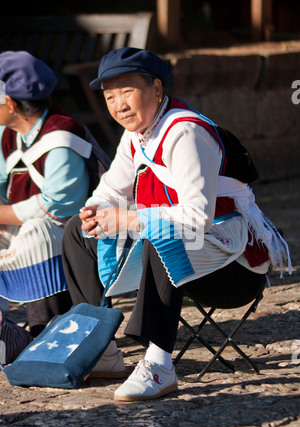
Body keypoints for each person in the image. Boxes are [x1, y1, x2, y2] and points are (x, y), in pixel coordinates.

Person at [62, 47, 291, 402]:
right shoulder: (136, 133)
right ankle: (100, 347)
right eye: (109, 96)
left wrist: (127, 218)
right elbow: (109, 190)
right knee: (78, 230)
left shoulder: (185, 133)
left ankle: (159, 364)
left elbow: (197, 217)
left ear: (156, 88)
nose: (118, 104)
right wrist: (96, 211)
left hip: (232, 266)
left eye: (127, 91)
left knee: (160, 230)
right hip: (188, 259)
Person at [0, 50, 110, 338]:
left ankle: (46, 330)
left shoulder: (62, 137)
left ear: (10, 104)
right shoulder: (9, 134)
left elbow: (58, 207)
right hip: (24, 226)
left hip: (78, 234)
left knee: (38, 231)